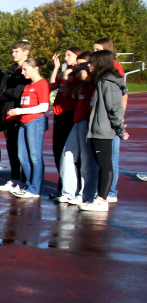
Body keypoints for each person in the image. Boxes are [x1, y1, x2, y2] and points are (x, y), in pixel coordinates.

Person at [79, 50, 126, 212]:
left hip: (103, 130)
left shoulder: (108, 83)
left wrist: (119, 129)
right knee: (100, 164)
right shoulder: (100, 82)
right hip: (96, 129)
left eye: (92, 62)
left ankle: (102, 200)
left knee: (105, 165)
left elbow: (115, 109)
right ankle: (97, 197)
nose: (89, 65)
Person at [56, 51, 99, 205]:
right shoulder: (80, 82)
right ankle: (68, 192)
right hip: (77, 120)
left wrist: (75, 70)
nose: (79, 67)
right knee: (67, 155)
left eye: (83, 64)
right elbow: (64, 79)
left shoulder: (91, 79)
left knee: (86, 160)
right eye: (78, 64)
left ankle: (85, 193)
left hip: (87, 121)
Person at [6, 57, 50, 199]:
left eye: (26, 69)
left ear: (35, 69)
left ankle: (34, 188)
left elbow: (44, 107)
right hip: (24, 122)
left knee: (35, 157)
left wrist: (19, 111)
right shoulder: (28, 85)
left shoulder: (42, 84)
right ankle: (29, 184)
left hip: (35, 122)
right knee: (22, 156)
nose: (23, 72)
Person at [92, 37, 127, 203]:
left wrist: (118, 122)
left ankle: (108, 193)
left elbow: (118, 99)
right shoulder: (102, 77)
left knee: (109, 160)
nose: (94, 53)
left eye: (97, 50)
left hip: (108, 124)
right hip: (104, 122)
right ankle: (104, 193)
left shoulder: (112, 73)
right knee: (104, 160)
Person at [0, 41, 31, 192]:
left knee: (23, 151)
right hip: (7, 115)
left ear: (26, 52)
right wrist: (7, 93)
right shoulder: (10, 71)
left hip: (21, 115)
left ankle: (25, 180)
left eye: (16, 51)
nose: (13, 54)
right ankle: (15, 178)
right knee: (11, 149)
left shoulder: (27, 70)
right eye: (12, 51)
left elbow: (18, 93)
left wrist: (6, 92)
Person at [49, 47, 83, 197]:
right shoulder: (66, 72)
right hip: (58, 114)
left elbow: (69, 93)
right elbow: (51, 85)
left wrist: (67, 75)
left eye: (69, 55)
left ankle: (74, 188)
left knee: (68, 153)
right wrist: (56, 69)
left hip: (69, 114)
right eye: (65, 55)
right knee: (57, 151)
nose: (65, 58)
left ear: (77, 57)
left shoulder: (77, 73)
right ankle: (63, 185)